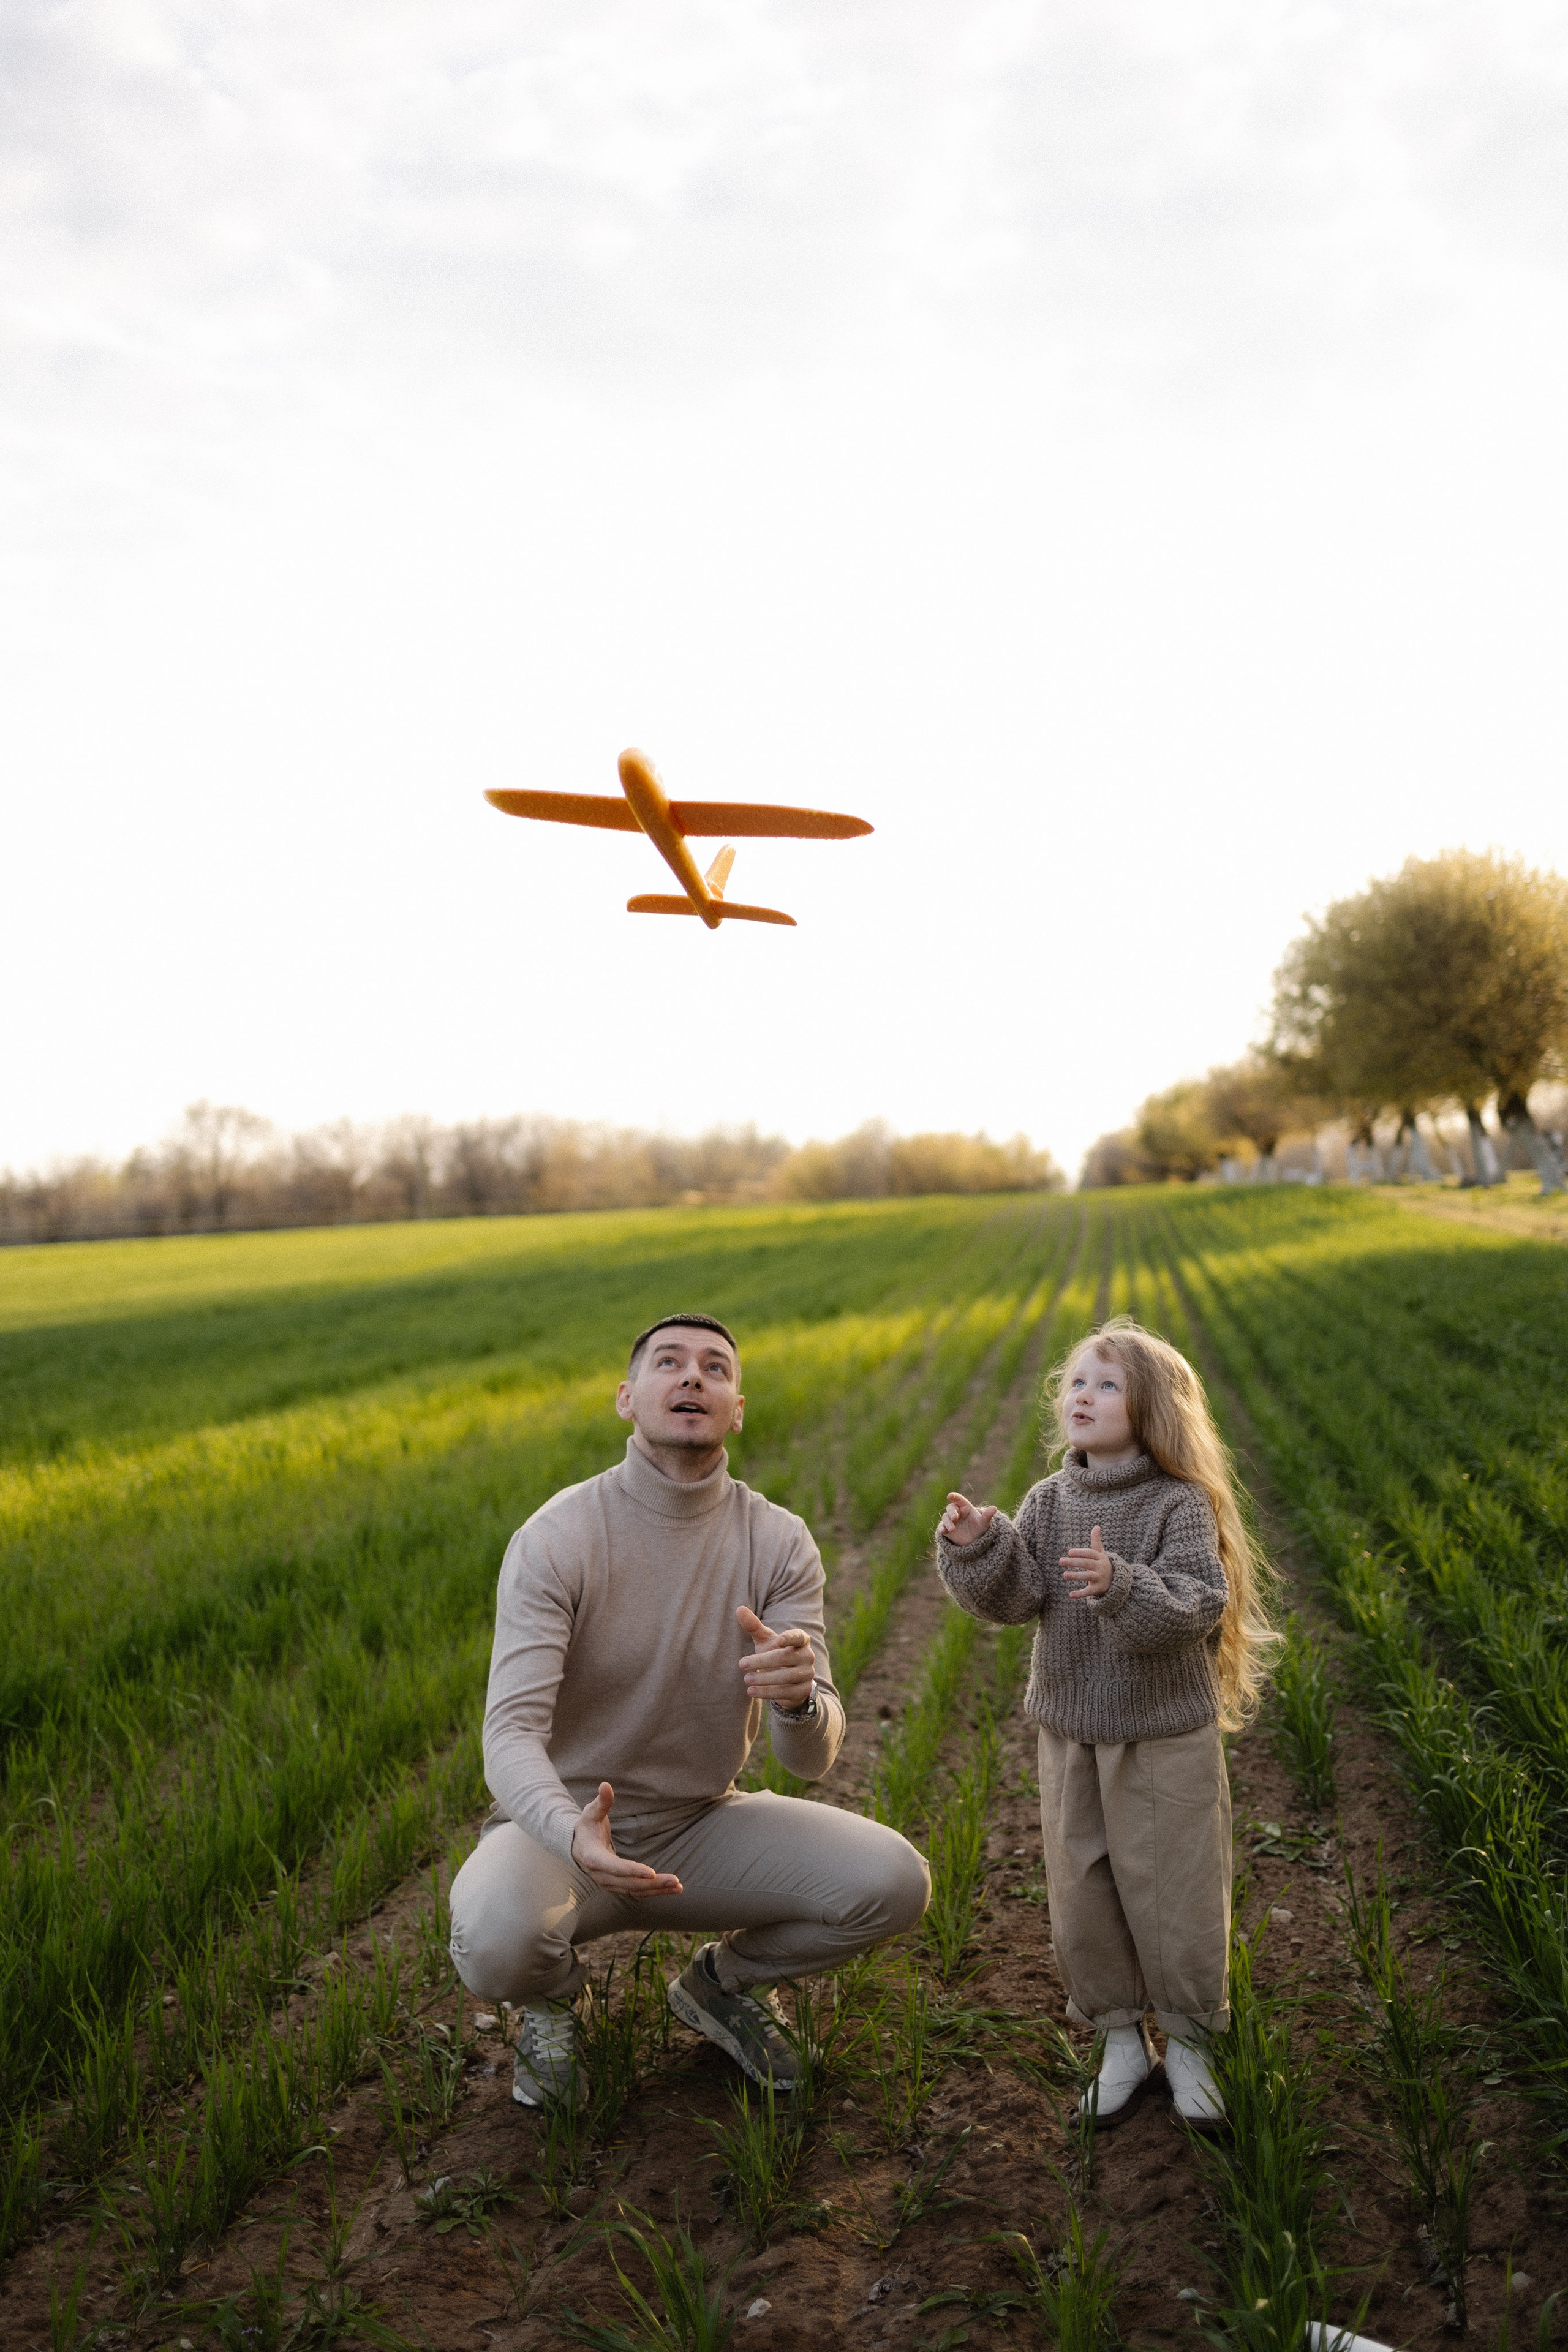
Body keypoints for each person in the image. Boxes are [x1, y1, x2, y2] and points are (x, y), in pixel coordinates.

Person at [448, 1313, 930, 2108]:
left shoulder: (778, 1542)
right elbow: (508, 1733)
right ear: (627, 1398)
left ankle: (723, 1987)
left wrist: (802, 1699)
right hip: (562, 1831)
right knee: (496, 1942)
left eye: (715, 1366)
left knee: (893, 1882)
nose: (693, 1376)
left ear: (737, 1407)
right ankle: (554, 2003)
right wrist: (569, 1829)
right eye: (668, 1363)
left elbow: (810, 1760)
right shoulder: (557, 1536)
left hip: (697, 1828)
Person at [935, 1315, 1276, 2130]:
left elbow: (1196, 1604)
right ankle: (1122, 2040)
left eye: (1107, 1383)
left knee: (1175, 1890)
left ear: (1152, 1408)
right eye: (1076, 1383)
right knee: (1081, 1888)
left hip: (1164, 1734)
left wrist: (1121, 1585)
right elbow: (1016, 1600)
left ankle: (1191, 2042)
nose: (1083, 1396)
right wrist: (980, 1547)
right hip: (1072, 1733)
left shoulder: (1177, 1504)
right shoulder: (1050, 1500)